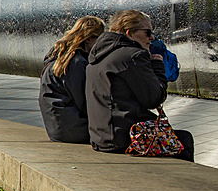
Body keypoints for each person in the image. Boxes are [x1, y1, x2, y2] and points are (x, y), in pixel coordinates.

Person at [86, 10, 193, 160]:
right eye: (147, 32)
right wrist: (157, 64)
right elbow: (154, 98)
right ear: (129, 33)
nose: (152, 38)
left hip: (101, 137)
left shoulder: (99, 56)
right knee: (184, 141)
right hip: (125, 138)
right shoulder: (134, 56)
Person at [38, 16, 105, 144]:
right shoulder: (77, 63)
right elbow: (86, 103)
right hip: (74, 129)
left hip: (58, 128)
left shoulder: (58, 57)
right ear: (89, 39)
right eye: (100, 39)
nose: (102, 44)